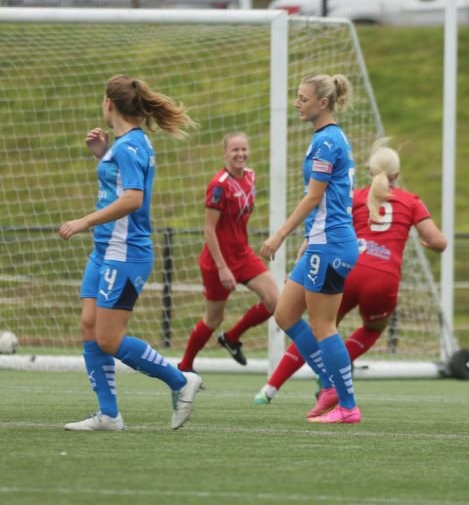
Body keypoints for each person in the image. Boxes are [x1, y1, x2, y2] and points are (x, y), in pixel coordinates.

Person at [59, 74, 203, 431]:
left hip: (125, 252)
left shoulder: (129, 146)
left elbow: (132, 199)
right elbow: (120, 185)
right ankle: (109, 415)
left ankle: (180, 380)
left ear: (109, 103)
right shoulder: (124, 145)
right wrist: (101, 156)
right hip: (105, 251)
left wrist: (84, 221)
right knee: (89, 327)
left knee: (108, 338)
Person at [254, 140, 447, 404]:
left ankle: (270, 388)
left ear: (368, 171)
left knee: (320, 327)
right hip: (383, 278)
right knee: (372, 327)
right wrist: (427, 242)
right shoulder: (411, 201)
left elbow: (325, 227)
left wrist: (302, 255)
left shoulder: (354, 197)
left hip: (349, 269)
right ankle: (337, 373)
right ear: (397, 175)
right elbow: (438, 242)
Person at [259, 73, 361, 424]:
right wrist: (306, 237)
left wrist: (281, 235)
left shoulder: (327, 142)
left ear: (323, 102)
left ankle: (347, 405)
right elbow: (327, 199)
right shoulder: (325, 138)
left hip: (332, 244)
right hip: (320, 240)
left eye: (302, 97)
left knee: (323, 325)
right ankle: (331, 384)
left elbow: (314, 196)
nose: (297, 102)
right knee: (285, 315)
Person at [177, 132, 279, 372]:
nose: (240, 154)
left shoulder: (251, 176)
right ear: (225, 154)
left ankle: (232, 338)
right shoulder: (218, 185)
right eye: (235, 150)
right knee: (214, 318)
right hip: (217, 262)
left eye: (244, 149)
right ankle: (184, 367)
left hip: (242, 254)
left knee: (275, 301)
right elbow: (209, 229)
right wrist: (222, 267)